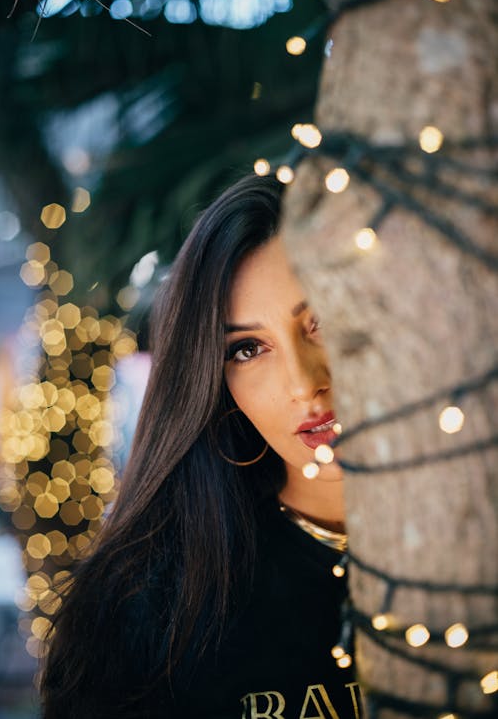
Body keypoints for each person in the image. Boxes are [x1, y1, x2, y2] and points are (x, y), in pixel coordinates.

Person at [38, 173, 363, 718]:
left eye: (322, 322)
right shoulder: (145, 609)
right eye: (248, 349)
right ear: (215, 380)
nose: (304, 384)